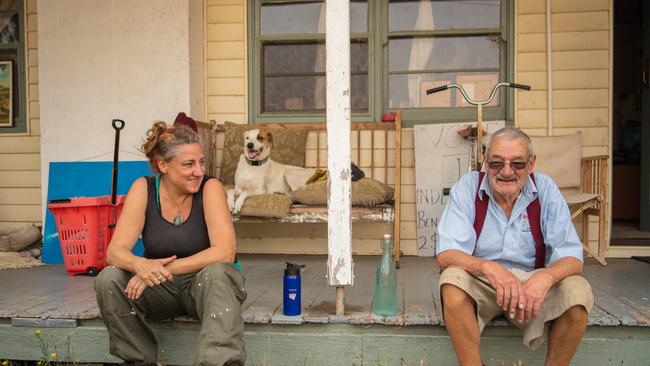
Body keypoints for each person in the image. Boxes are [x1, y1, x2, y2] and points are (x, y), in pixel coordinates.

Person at [95, 117, 246, 366]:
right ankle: (137, 360)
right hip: (159, 290)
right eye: (188, 164)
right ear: (163, 165)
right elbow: (115, 252)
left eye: (201, 162)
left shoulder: (211, 188)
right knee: (109, 279)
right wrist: (140, 265)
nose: (199, 171)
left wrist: (159, 269)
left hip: (205, 288)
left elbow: (225, 252)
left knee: (219, 273)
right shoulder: (143, 188)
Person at [436, 127, 593, 366]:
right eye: (497, 163)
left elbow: (573, 258)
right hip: (483, 282)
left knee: (577, 292)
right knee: (452, 281)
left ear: (531, 164)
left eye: (517, 164)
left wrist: (546, 278)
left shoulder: (546, 190)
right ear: (485, 162)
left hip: (533, 284)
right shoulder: (467, 187)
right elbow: (447, 253)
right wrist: (489, 268)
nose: (507, 172)